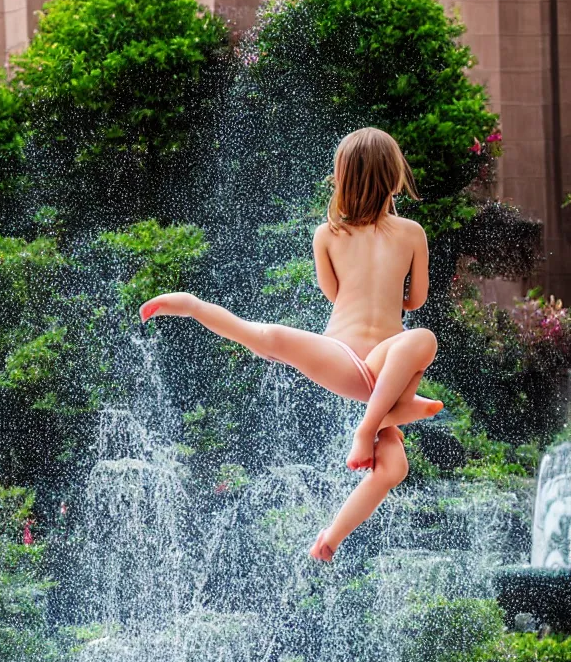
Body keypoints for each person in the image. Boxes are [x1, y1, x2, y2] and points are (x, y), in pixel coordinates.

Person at [140, 127, 441, 562]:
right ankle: (376, 422)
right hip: (380, 366)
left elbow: (333, 294)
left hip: (348, 361)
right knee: (420, 340)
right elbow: (416, 300)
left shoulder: (329, 234)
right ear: (396, 178)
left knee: (393, 466)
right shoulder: (412, 232)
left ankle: (329, 538)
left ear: (342, 179)